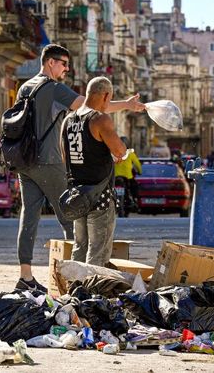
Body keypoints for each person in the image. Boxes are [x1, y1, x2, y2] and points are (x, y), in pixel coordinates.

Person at [14, 44, 144, 292]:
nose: (66, 69)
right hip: (49, 160)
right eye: (63, 63)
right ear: (50, 63)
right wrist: (126, 104)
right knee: (72, 214)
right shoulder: (53, 88)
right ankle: (77, 283)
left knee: (28, 217)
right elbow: (91, 106)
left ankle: (25, 276)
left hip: (25, 161)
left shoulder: (25, 87)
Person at [61, 77, 128, 266]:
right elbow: (119, 151)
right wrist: (120, 153)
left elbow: (64, 156)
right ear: (105, 96)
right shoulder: (99, 119)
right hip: (100, 195)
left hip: (77, 194)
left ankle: (76, 282)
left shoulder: (68, 120)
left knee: (80, 246)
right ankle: (92, 284)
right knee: (98, 250)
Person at [114, 137, 142, 207]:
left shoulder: (114, 152)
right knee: (134, 187)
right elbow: (137, 164)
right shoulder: (130, 153)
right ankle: (134, 199)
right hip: (127, 176)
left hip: (115, 176)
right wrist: (140, 172)